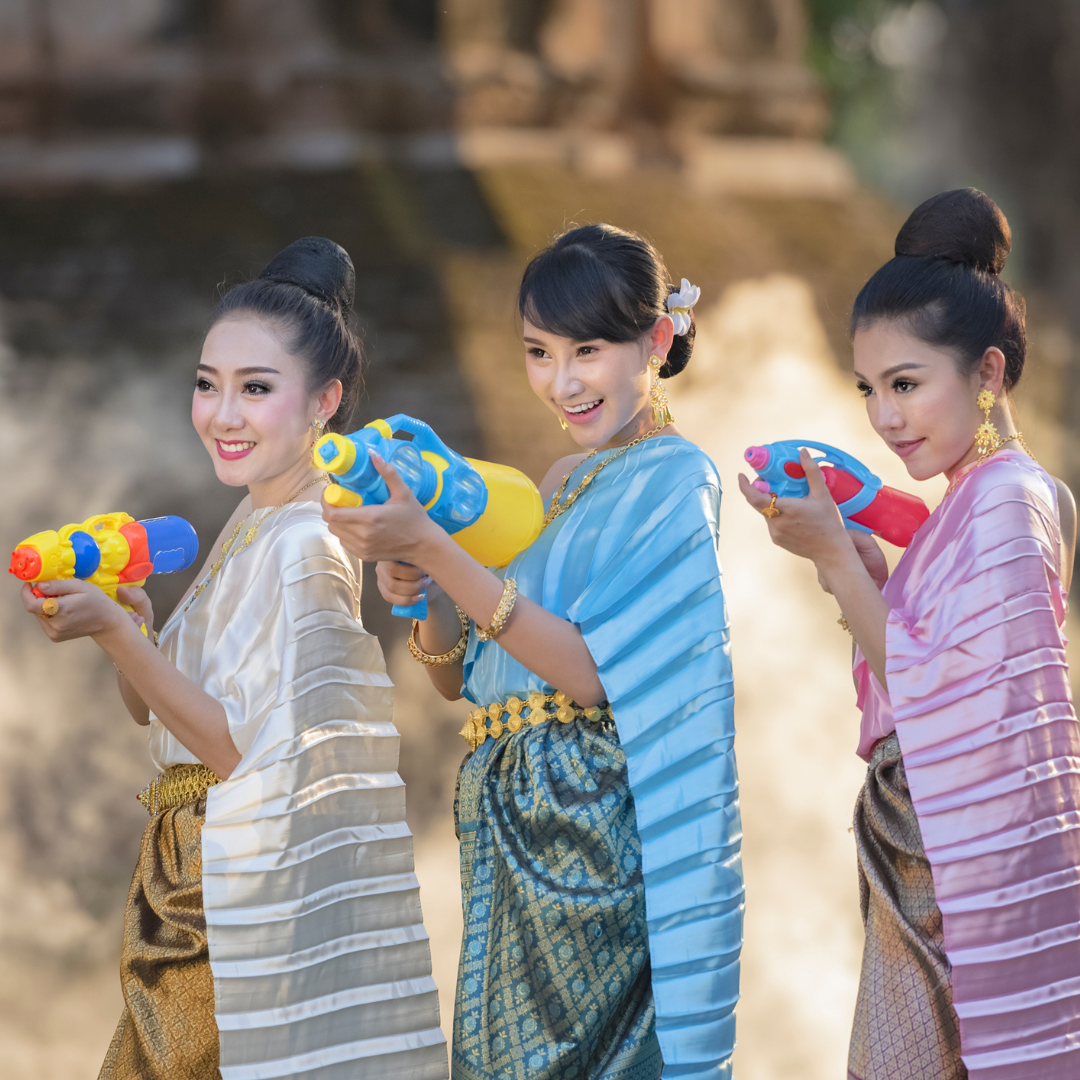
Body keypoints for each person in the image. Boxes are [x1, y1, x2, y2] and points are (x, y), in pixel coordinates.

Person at [322, 223, 742, 1080]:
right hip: (506, 813)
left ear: (656, 342)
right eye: (538, 353)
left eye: (587, 349)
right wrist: (423, 583)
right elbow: (457, 679)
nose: (563, 381)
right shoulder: (553, 483)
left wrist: (443, 554)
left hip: (591, 827)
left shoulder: (676, 477)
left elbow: (587, 675)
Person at [22, 237, 447, 1080]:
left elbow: (241, 755)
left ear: (324, 400)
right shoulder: (254, 520)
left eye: (255, 389)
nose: (222, 413)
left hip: (232, 890)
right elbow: (153, 711)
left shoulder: (307, 542)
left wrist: (112, 631)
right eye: (207, 384)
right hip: (181, 869)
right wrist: (135, 630)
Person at [740, 189, 1080, 1080]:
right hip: (919, 849)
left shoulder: (1008, 499)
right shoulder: (962, 503)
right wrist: (863, 570)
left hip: (960, 869)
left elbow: (953, 704)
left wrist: (839, 566)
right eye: (868, 390)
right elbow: (926, 666)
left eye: (906, 384)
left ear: (990, 374)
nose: (885, 419)